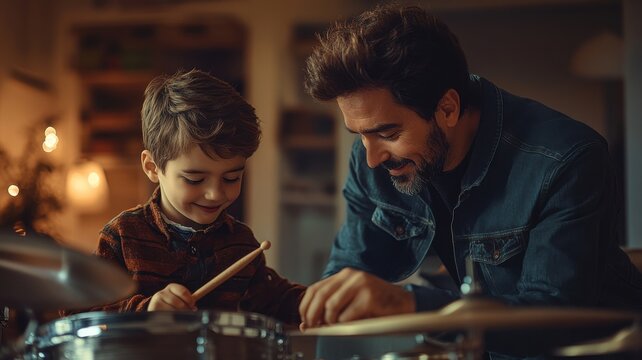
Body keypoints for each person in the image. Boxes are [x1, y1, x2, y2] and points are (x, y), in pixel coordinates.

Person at [299, 4, 642, 331]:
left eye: (388, 133)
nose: (371, 157)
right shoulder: (371, 159)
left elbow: (553, 316)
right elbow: (349, 271)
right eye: (359, 135)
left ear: (447, 108)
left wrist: (408, 304)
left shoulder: (566, 160)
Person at [69, 69, 304, 325]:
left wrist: (316, 302)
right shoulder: (123, 236)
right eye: (194, 179)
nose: (215, 193)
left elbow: (276, 302)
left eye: (231, 178)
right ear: (152, 167)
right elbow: (76, 309)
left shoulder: (241, 244)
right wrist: (145, 311)